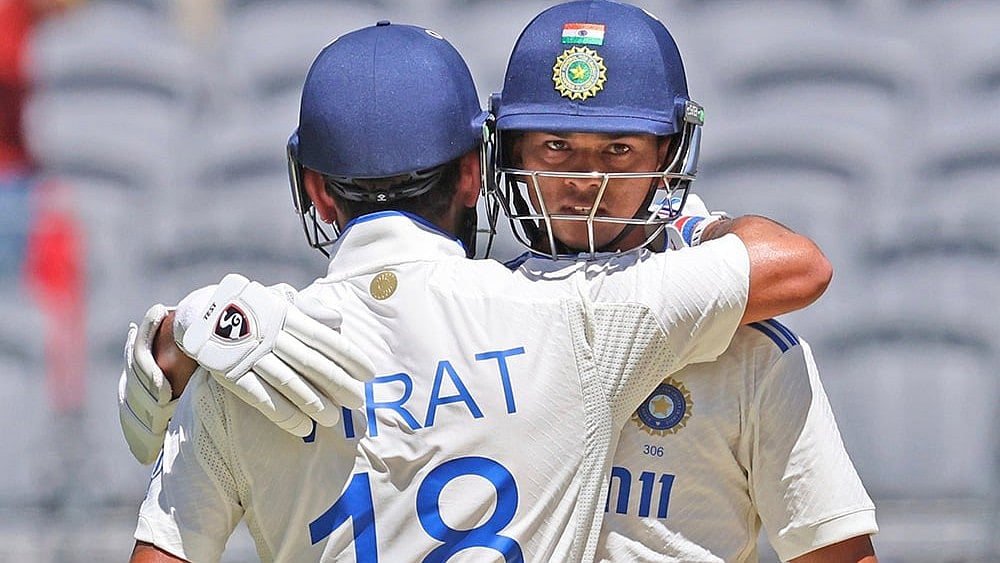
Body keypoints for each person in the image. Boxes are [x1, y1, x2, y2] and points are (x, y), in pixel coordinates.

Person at [123, 18, 832, 563]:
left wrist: (176, 329)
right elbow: (798, 266)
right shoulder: (579, 319)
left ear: (313, 186)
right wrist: (692, 223)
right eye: (559, 149)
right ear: (474, 172)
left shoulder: (234, 367)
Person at [487, 2, 878, 561]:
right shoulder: (469, 319)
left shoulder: (751, 348)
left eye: (619, 150)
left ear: (668, 156)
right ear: (512, 151)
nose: (585, 180)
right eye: (556, 146)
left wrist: (704, 228)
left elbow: (835, 552)